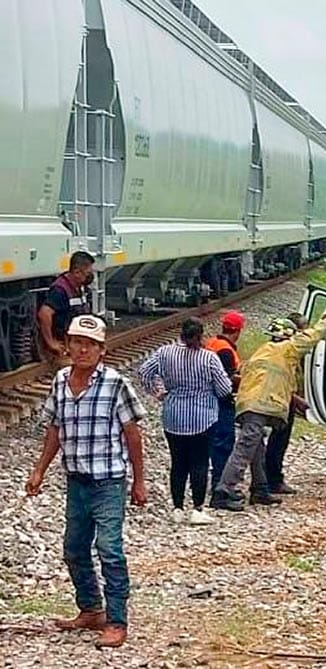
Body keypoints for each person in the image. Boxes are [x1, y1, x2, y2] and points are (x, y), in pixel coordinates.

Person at [25, 314, 146, 649]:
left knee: (109, 549)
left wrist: (139, 481)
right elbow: (55, 430)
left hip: (108, 481)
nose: (82, 350)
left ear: (101, 350)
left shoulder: (114, 383)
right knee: (74, 548)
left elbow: (132, 435)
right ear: (67, 345)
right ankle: (91, 608)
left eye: (90, 344)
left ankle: (117, 621)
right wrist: (39, 470)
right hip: (76, 481)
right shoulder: (61, 381)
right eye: (77, 342)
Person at [212, 313, 326, 512]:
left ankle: (260, 489)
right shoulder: (288, 348)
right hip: (261, 405)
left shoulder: (262, 350)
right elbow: (312, 336)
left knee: (256, 446)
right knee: (245, 447)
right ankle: (223, 490)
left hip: (247, 404)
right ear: (289, 336)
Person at [139, 318, 232, 525]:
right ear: (200, 335)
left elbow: (144, 371)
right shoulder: (209, 358)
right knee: (199, 463)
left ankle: (177, 508)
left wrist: (159, 392)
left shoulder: (165, 353)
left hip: (173, 414)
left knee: (178, 463)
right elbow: (225, 388)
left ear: (181, 333)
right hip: (203, 417)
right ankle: (197, 508)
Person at [261, 311, 309, 496]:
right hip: (280, 401)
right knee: (277, 441)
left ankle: (265, 479)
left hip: (275, 399)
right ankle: (271, 480)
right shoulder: (284, 353)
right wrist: (297, 400)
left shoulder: (270, 350)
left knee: (266, 441)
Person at [206, 311, 246, 491]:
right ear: (237, 331)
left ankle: (215, 480)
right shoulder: (226, 351)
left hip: (208, 400)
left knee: (213, 442)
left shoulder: (212, 343)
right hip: (222, 402)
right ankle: (219, 483)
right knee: (223, 443)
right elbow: (227, 379)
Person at [36, 251, 95, 367]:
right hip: (64, 344)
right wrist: (51, 342)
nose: (90, 277)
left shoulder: (79, 288)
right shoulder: (60, 290)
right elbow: (44, 314)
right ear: (77, 272)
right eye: (88, 273)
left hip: (75, 342)